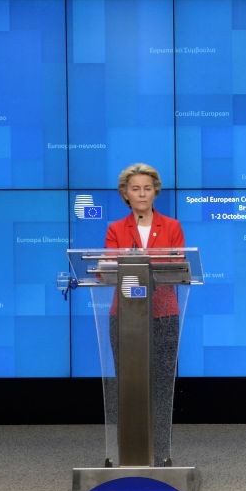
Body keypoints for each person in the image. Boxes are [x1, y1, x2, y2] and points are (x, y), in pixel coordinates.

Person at [105, 163, 185, 467]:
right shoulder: (115, 229)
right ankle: (129, 454)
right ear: (125, 193)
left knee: (162, 386)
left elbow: (178, 266)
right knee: (129, 386)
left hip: (163, 315)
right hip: (124, 317)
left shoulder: (172, 226)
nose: (141, 193)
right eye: (135, 188)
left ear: (156, 192)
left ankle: (161, 454)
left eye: (147, 188)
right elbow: (107, 271)